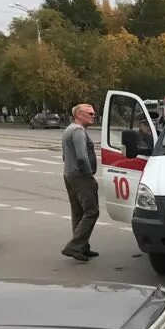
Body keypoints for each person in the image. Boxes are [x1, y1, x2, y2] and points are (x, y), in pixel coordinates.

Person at [61, 103, 99, 262]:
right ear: (79, 115)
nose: (93, 115)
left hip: (70, 174)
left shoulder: (69, 129)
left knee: (78, 212)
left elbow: (65, 156)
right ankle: (74, 246)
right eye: (89, 113)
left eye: (93, 113)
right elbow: (82, 157)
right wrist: (89, 176)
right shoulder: (77, 131)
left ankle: (82, 247)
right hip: (80, 176)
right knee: (92, 211)